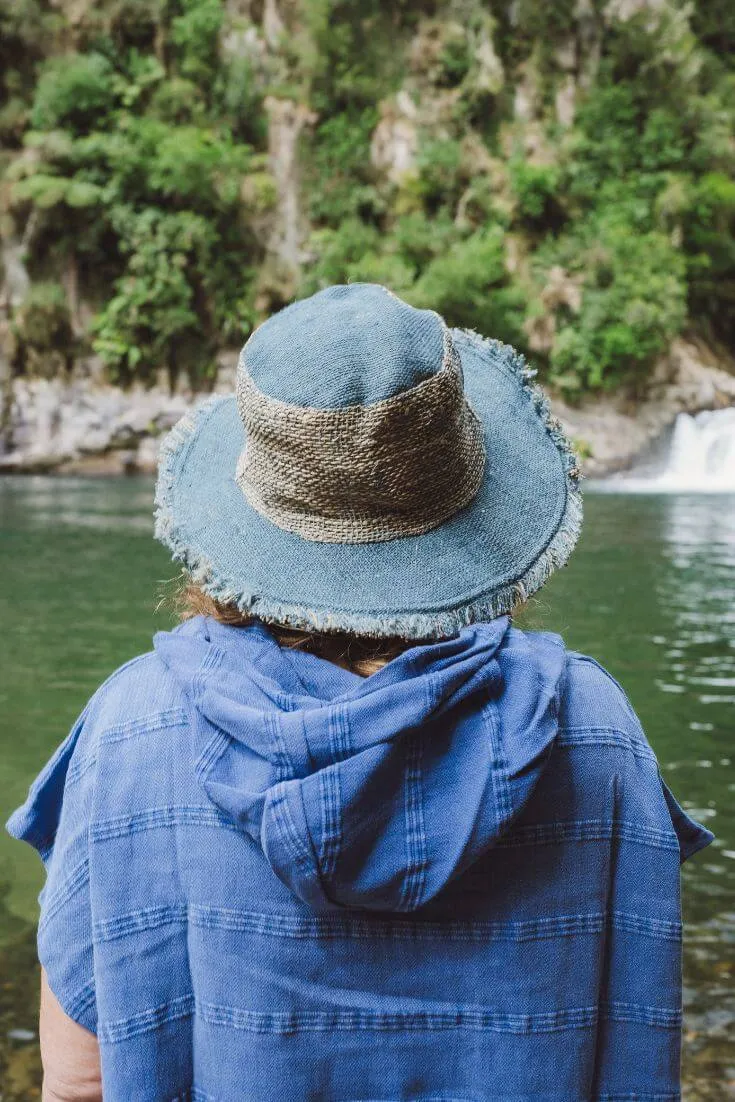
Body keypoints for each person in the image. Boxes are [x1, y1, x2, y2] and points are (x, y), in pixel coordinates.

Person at [8, 283, 713, 1102]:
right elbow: (637, 1037)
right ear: (476, 511)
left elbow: (79, 1082)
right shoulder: (589, 729)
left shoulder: (133, 727)